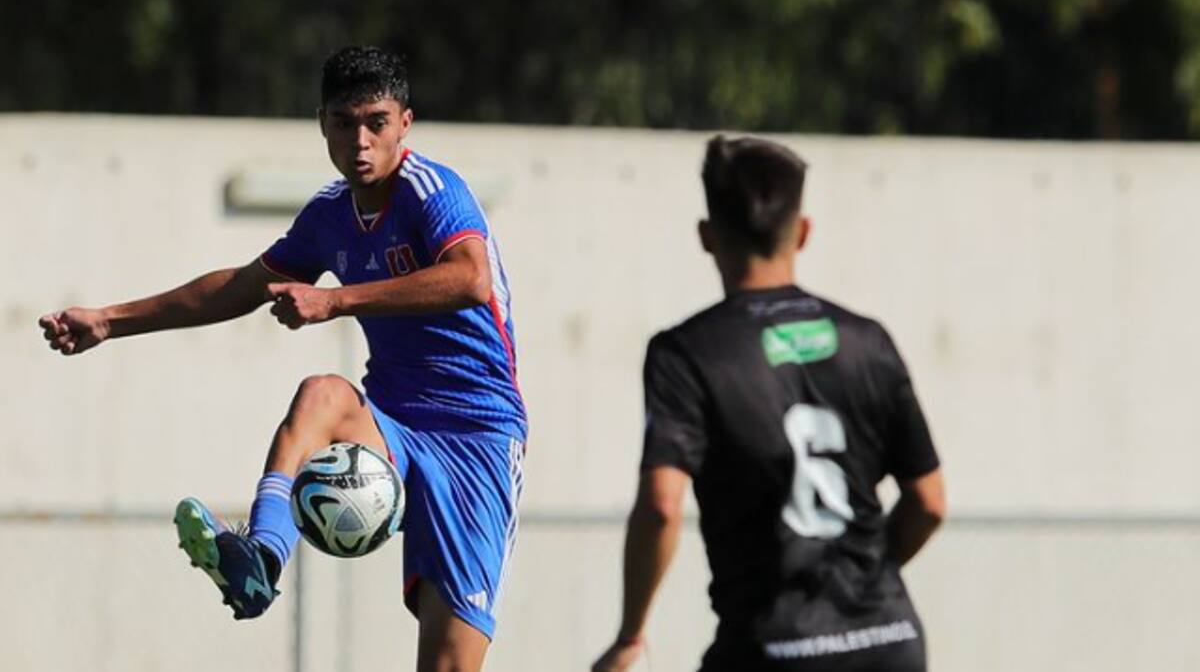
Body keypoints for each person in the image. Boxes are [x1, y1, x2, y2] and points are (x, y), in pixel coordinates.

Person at [37, 45, 524, 672]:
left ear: (405, 123)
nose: (361, 140)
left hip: (477, 438)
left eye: (376, 121)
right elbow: (240, 287)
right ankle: (261, 558)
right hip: (392, 421)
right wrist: (109, 319)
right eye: (344, 123)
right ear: (321, 122)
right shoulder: (328, 214)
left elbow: (470, 278)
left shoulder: (432, 189)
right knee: (320, 393)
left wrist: (336, 299)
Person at [592, 136, 945, 672]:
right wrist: (859, 587)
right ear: (802, 232)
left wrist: (630, 634)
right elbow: (930, 502)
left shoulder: (685, 353)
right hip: (890, 639)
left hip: (775, 649)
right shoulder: (869, 341)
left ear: (707, 237)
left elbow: (663, 506)